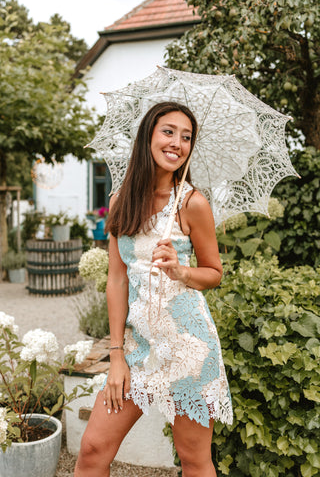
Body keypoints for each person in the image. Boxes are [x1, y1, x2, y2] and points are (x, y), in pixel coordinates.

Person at [74, 102, 233, 477]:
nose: (177, 142)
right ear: (148, 136)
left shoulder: (193, 203)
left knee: (194, 460)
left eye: (187, 136)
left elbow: (214, 272)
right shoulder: (119, 201)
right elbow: (117, 279)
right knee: (93, 449)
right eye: (168, 131)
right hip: (136, 348)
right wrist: (116, 356)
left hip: (187, 348)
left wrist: (181, 272)